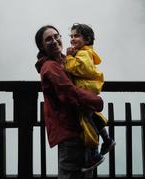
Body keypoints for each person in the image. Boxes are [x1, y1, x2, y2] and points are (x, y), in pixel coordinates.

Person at [35, 25, 104, 179]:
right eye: (48, 39)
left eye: (56, 36)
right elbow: (69, 93)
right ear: (42, 46)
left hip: (79, 131)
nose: (54, 41)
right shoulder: (50, 67)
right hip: (70, 133)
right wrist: (97, 102)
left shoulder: (64, 61)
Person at [65, 23, 116, 172]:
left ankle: (94, 154)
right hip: (87, 89)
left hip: (84, 90)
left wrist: (68, 57)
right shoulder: (84, 51)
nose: (73, 39)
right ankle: (107, 140)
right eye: (72, 36)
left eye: (77, 36)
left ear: (87, 39)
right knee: (92, 116)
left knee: (86, 121)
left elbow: (80, 68)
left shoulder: (83, 53)